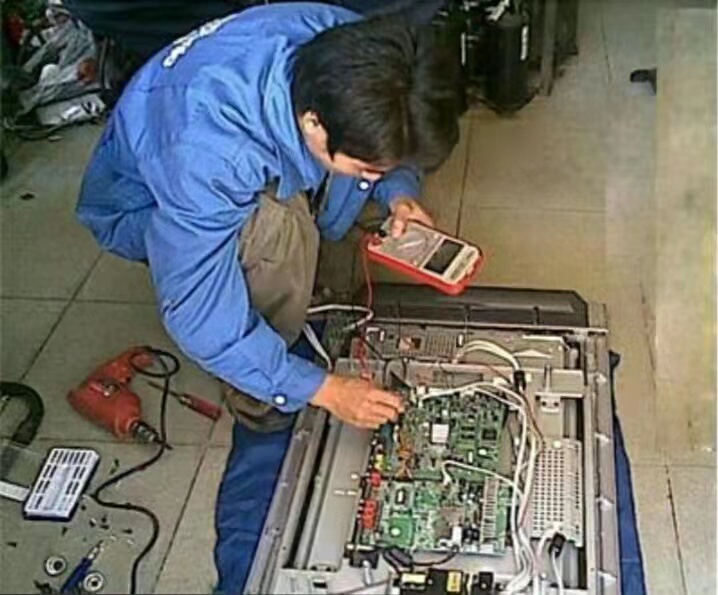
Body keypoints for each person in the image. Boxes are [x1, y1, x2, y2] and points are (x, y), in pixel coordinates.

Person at [76, 2, 462, 433]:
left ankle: (312, 266)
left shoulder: (357, 46)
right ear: (314, 123)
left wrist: (399, 192)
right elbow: (197, 311)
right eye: (369, 168)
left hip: (229, 148)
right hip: (144, 204)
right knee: (279, 231)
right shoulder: (206, 154)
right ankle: (257, 393)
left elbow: (386, 138)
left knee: (347, 198)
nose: (376, 176)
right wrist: (322, 389)